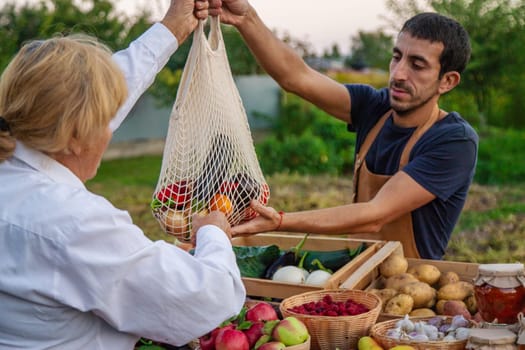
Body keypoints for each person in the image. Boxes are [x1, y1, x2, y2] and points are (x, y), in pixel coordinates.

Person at [0, 1, 246, 349]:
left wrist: (171, 29)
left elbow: (73, 99)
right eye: (105, 122)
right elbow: (208, 299)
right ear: (73, 138)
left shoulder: (19, 150)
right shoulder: (75, 224)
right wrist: (213, 234)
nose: (110, 130)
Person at [216, 1, 479, 260]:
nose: (398, 74)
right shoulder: (374, 108)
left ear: (447, 81)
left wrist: (279, 221)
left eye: (417, 65)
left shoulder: (454, 141)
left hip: (410, 285)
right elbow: (296, 77)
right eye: (397, 57)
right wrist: (245, 17)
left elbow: (376, 214)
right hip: (356, 271)